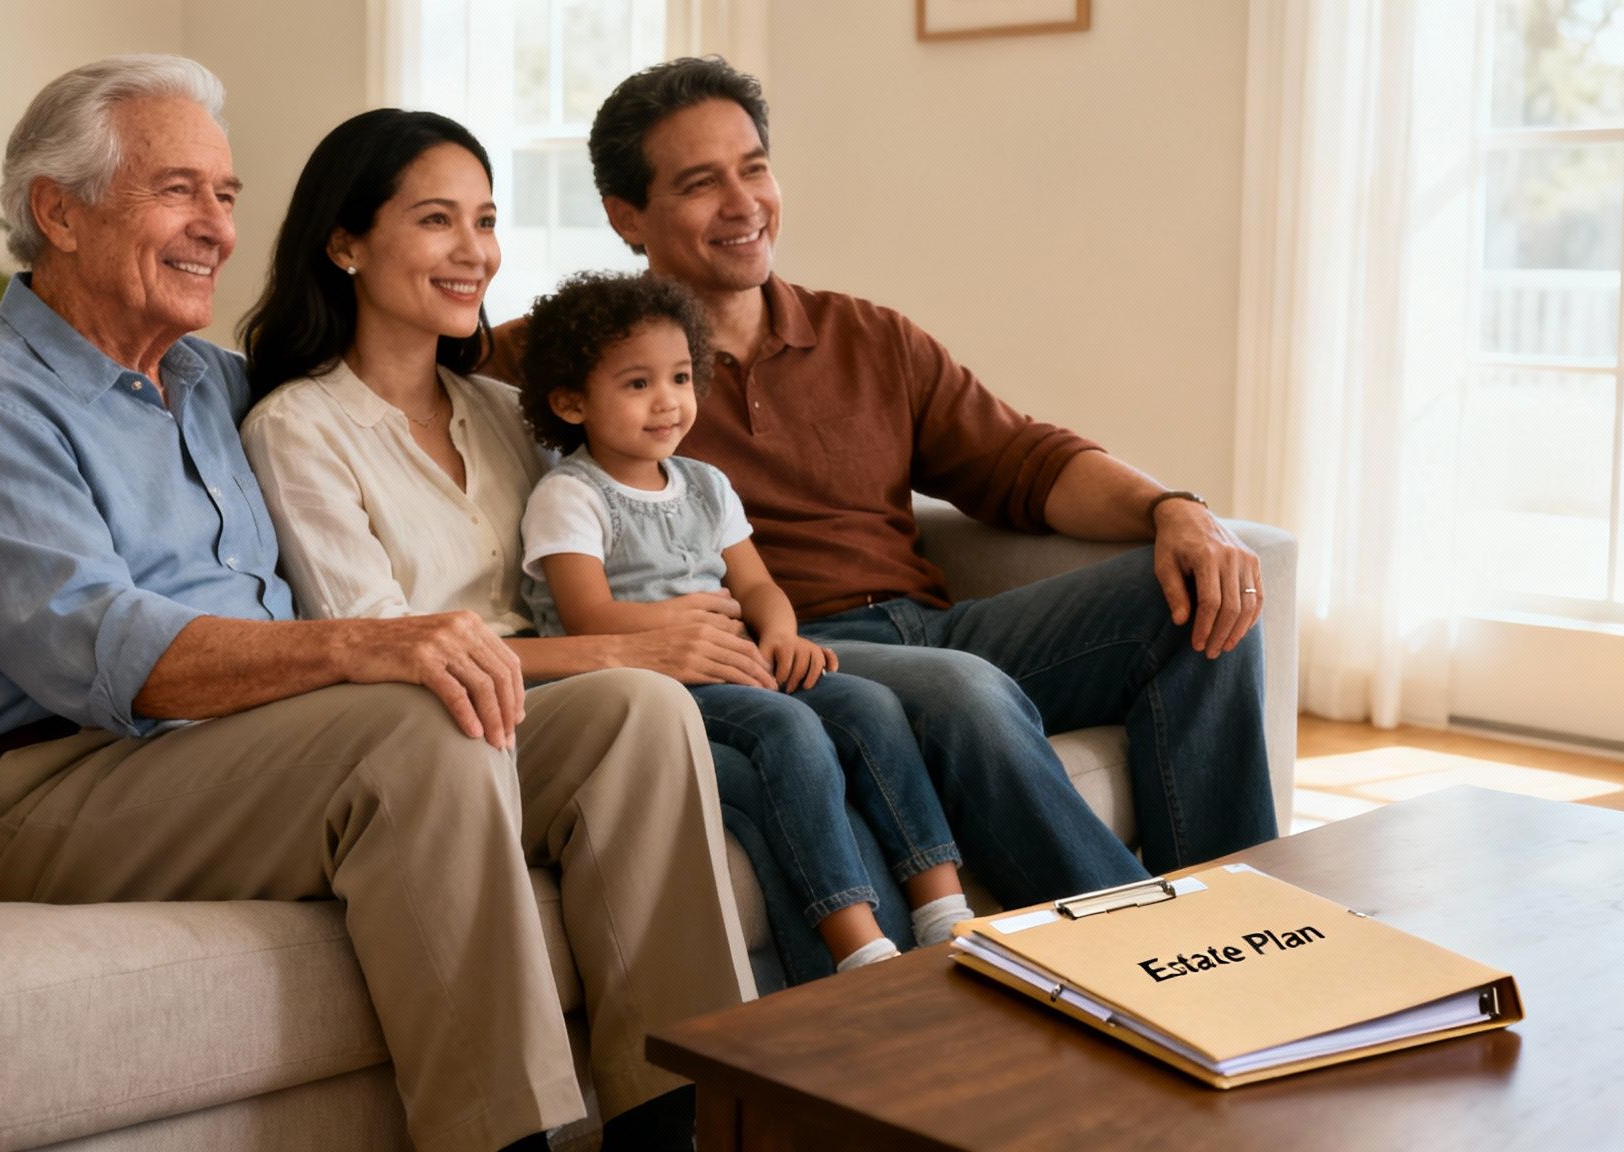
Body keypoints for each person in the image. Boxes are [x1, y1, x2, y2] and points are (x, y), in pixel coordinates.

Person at [0, 57, 750, 1152]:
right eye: (177, 191)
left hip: (242, 752)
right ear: (60, 212)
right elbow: (111, 652)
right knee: (417, 727)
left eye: (226, 198)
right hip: (47, 784)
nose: (216, 229)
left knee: (634, 714)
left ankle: (686, 1128)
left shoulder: (206, 382)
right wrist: (365, 645)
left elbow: (386, 384)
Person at [481, 56, 1279, 916]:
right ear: (627, 216)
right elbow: (411, 362)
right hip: (797, 653)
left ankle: (1248, 918)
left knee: (1199, 592)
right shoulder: (572, 360)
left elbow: (1026, 463)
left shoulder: (867, 337)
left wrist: (1175, 511)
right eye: (702, 183)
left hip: (934, 625)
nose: (744, 203)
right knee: (966, 692)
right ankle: (1148, 946)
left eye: (754, 168)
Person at [234, 109, 930, 991]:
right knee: (761, 764)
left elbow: (613, 511)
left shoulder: (498, 406)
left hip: (597, 685)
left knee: (827, 740)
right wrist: (632, 647)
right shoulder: (297, 427)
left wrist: (690, 614)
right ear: (345, 243)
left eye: (485, 221)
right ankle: (839, 1048)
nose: (474, 251)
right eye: (436, 219)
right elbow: (384, 646)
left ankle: (901, 1027)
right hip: (455, 723)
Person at [513, 270, 974, 971]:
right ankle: (858, 943)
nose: (666, 402)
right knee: (788, 729)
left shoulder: (706, 484)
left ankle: (945, 910)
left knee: (873, 707)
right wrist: (676, 627)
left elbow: (756, 584)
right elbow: (587, 617)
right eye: (637, 385)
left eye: (679, 378)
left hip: (734, 660)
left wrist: (783, 633)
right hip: (652, 683)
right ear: (572, 403)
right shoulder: (570, 495)